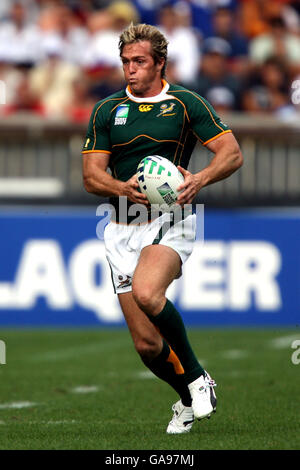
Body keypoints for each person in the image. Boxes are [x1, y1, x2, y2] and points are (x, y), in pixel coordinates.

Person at [82, 23, 243, 434]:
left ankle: (196, 375)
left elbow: (231, 153)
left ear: (159, 64)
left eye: (138, 62)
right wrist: (120, 187)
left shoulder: (186, 103)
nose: (130, 70)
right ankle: (187, 398)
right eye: (125, 63)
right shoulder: (106, 110)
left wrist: (199, 180)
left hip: (171, 219)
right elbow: (90, 176)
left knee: (148, 292)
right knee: (147, 345)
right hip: (120, 228)